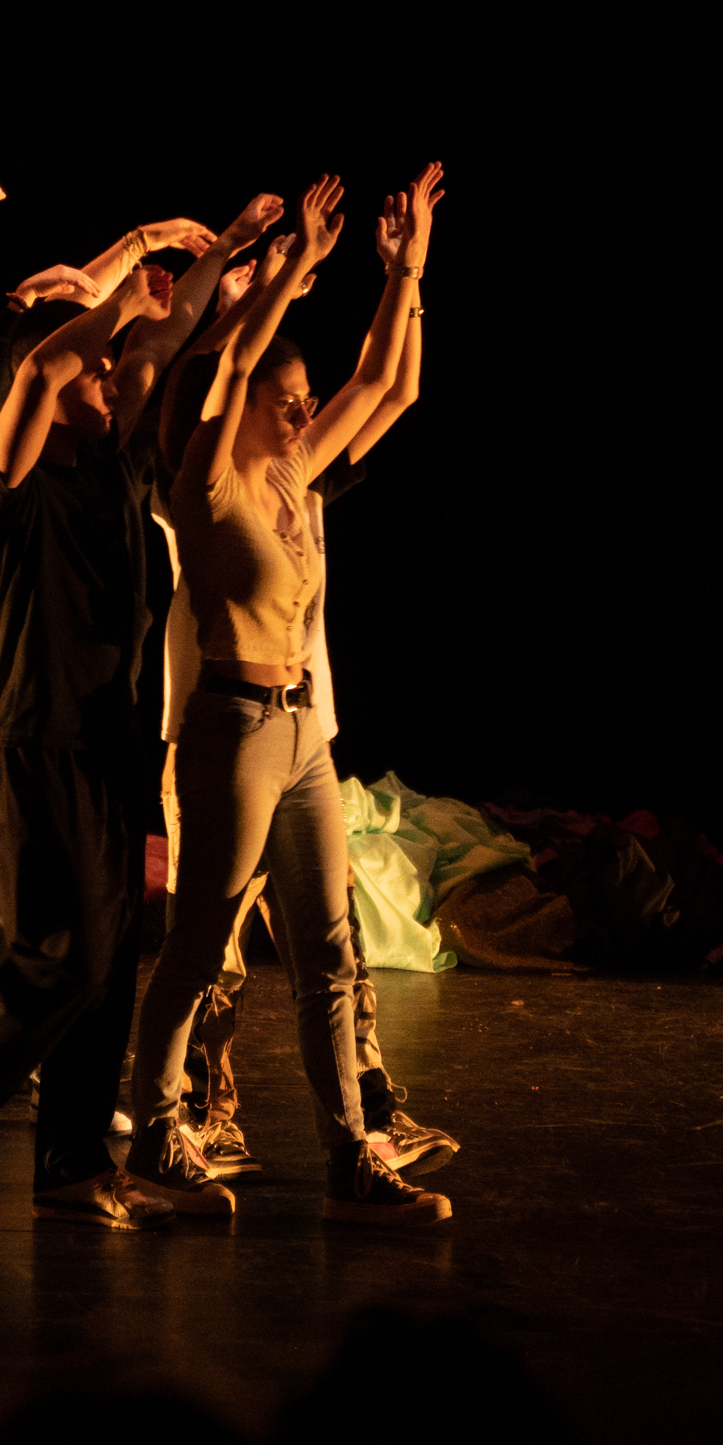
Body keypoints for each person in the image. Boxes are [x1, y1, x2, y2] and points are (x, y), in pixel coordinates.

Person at [0, 198, 274, 1227]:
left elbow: (162, 343)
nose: (117, 379)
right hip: (33, 739)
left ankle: (69, 1164)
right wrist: (135, 266)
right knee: (56, 947)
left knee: (108, 968)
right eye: (100, 372)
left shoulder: (108, 468)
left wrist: (231, 259)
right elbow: (50, 365)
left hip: (107, 739)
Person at [125, 165, 451, 1227]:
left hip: (304, 730)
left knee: (331, 954)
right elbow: (225, 383)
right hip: (230, 728)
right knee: (200, 940)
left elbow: (382, 385)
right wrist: (294, 266)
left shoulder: (295, 475)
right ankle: (157, 1127)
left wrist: (406, 270)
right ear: (247, 402)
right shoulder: (207, 485)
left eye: (300, 401)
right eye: (284, 398)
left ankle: (354, 1151)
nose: (303, 410)